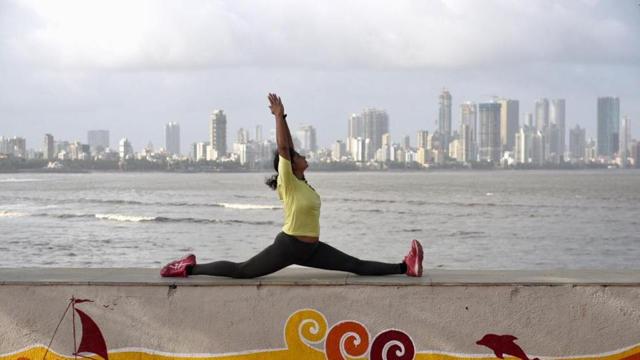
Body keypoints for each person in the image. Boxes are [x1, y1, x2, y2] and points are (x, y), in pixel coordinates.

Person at [160, 93, 423, 278]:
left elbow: (290, 148)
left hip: (312, 249)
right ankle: (188, 268)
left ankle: (405, 267)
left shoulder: (305, 185)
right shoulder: (288, 180)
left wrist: (283, 119)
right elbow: (284, 147)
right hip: (289, 245)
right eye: (298, 156)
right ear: (291, 163)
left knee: (354, 265)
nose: (303, 156)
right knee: (243, 272)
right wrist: (279, 116)